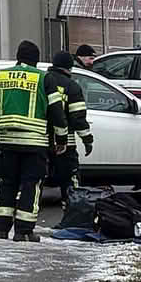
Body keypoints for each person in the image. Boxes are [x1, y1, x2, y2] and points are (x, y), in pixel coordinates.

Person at [0, 41, 68, 242]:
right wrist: (61, 139)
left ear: (18, 56)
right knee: (31, 185)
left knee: (7, 183)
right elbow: (57, 111)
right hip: (34, 143)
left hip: (7, 142)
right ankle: (24, 231)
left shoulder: (0, 76)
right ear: (36, 60)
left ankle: (1, 229)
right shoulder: (43, 78)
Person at [43, 48, 93, 195]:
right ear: (69, 67)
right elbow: (78, 118)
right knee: (70, 182)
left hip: (41, 141)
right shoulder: (71, 86)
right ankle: (71, 210)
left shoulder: (42, 81)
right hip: (66, 145)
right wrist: (87, 139)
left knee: (35, 180)